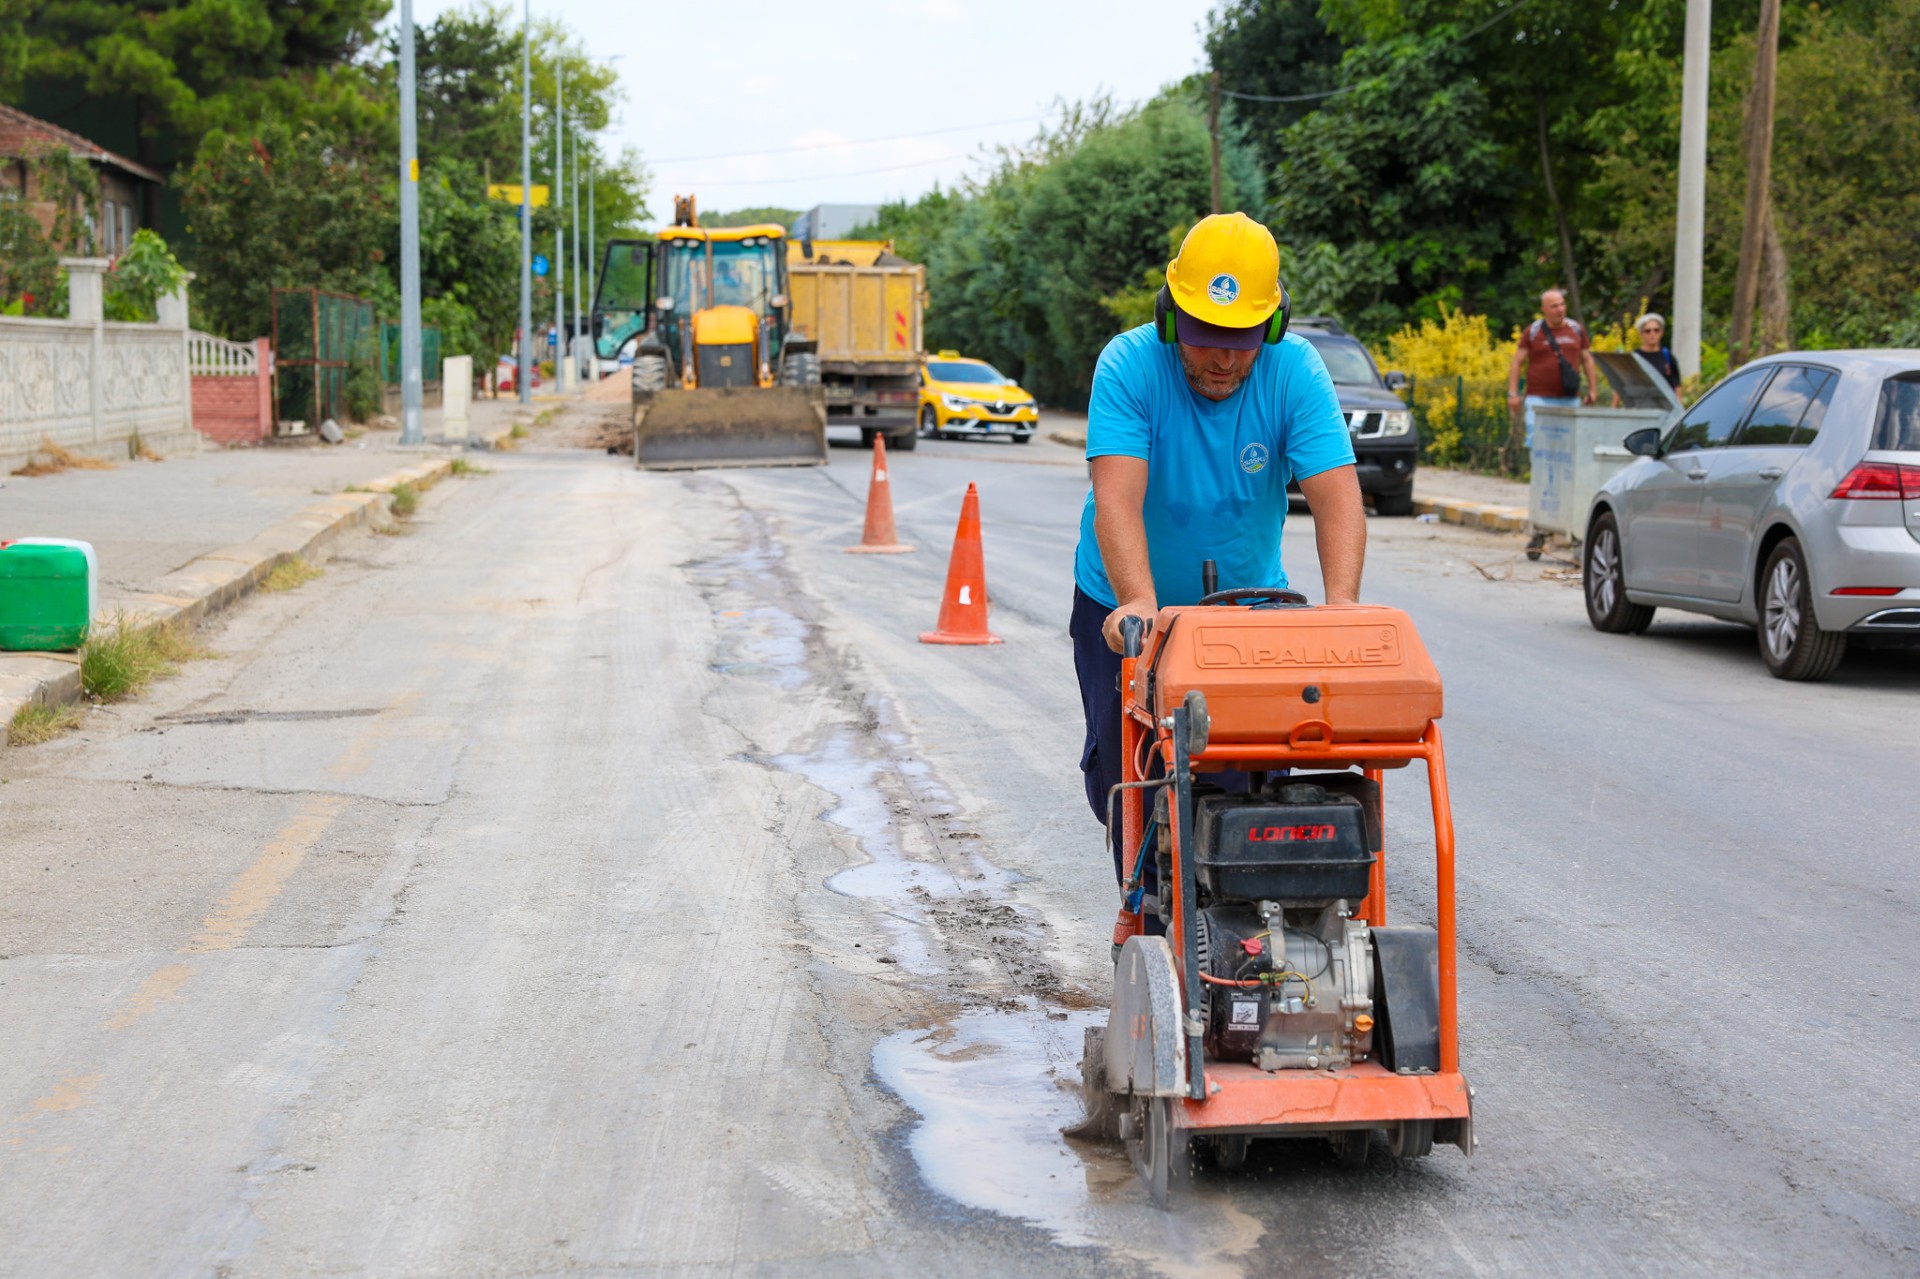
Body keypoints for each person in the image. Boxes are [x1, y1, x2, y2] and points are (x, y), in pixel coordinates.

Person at [1070, 212, 1366, 895]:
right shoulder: (1129, 364)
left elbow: (1337, 494)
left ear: (1274, 327)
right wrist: (1138, 599)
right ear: (1171, 319)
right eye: (1206, 340)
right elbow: (1116, 496)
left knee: (1246, 787)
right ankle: (1147, 932)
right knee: (1126, 783)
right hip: (1124, 603)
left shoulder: (1295, 372)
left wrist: (1344, 604)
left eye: (1241, 342)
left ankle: (1243, 947)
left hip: (1246, 611)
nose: (1224, 360)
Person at [1506, 288, 1599, 446]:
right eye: (1554, 306)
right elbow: (1517, 362)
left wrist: (1592, 390)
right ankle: (1537, 471)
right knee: (1537, 440)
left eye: (1562, 304)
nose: (1560, 309)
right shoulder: (1533, 331)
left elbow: (1587, 360)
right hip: (1539, 398)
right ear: (1544, 309)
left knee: (1568, 444)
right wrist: (1513, 393)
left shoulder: (1576, 329)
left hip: (1569, 398)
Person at [1633, 312, 1681, 389]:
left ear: (1661, 332)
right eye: (1648, 331)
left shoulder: (1667, 356)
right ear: (1641, 334)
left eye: (1656, 330)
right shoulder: (1635, 357)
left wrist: (1678, 401)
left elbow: (1676, 385)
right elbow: (1622, 384)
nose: (1652, 334)